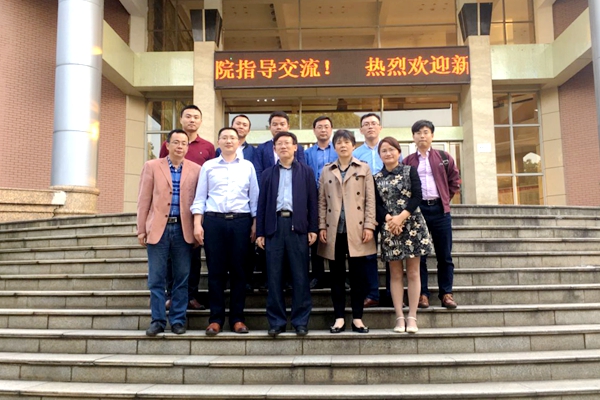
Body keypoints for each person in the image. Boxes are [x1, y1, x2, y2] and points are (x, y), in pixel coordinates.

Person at [191, 127, 259, 336]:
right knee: (215, 272)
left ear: (239, 142)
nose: (229, 141)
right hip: (214, 222)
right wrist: (197, 223)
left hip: (241, 222)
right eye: (225, 138)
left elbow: (254, 198)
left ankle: (237, 319)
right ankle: (215, 320)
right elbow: (200, 196)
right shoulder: (209, 166)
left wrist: (255, 223)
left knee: (239, 272)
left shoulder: (248, 166)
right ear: (218, 142)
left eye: (232, 138)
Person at [136, 129, 201, 336]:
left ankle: (178, 320)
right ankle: (157, 320)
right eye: (176, 142)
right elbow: (143, 200)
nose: (180, 146)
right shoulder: (152, 166)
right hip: (158, 229)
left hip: (183, 230)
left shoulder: (196, 169)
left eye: (184, 143)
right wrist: (141, 229)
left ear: (187, 147)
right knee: (156, 278)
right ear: (167, 144)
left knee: (182, 277)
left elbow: (199, 201)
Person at [256, 131, 318, 337]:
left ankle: (301, 321)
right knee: (274, 277)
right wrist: (261, 232)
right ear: (274, 149)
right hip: (274, 227)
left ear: (295, 147)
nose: (283, 146)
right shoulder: (267, 174)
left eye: (287, 143)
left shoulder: (306, 172)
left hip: (297, 226)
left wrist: (313, 228)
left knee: (300, 276)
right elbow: (262, 204)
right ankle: (277, 322)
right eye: (279, 144)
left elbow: (313, 202)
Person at [318, 130, 376, 334]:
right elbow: (321, 201)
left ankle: (358, 318)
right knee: (336, 277)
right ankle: (339, 318)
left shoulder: (364, 168)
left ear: (353, 145)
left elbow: (370, 200)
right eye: (339, 142)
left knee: (358, 276)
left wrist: (369, 225)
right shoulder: (327, 170)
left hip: (357, 230)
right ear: (334, 147)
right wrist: (321, 226)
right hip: (334, 230)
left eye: (346, 142)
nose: (343, 145)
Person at [374, 137, 432, 333]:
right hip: (390, 227)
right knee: (396, 274)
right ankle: (399, 316)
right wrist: (390, 220)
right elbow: (377, 204)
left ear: (398, 152)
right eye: (384, 150)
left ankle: (412, 317)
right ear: (379, 155)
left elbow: (417, 196)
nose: (388, 153)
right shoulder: (376, 177)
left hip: (412, 224)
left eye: (391, 149)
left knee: (414, 272)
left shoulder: (410, 170)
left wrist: (401, 218)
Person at [160, 105, 215, 311]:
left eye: (196, 117)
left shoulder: (208, 147)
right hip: (173, 207)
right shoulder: (169, 143)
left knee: (194, 254)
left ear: (200, 121)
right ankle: (170, 295)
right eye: (188, 116)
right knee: (169, 256)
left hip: (195, 209)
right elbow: (162, 171)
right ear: (181, 119)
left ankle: (191, 295)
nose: (192, 120)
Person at [403, 120, 461, 309]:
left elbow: (455, 180)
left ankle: (446, 294)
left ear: (432, 135)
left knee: (444, 255)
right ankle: (422, 294)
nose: (422, 136)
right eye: (418, 132)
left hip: (440, 210)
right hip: (417, 211)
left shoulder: (444, 157)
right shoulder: (408, 161)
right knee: (419, 255)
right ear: (413, 137)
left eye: (426, 132)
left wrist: (445, 198)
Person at [216, 114, 259, 292]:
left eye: (244, 125)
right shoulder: (214, 158)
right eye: (237, 124)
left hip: (243, 212)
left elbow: (255, 186)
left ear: (248, 130)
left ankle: (245, 281)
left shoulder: (253, 154)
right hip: (217, 215)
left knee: (243, 254)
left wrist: (255, 218)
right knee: (220, 258)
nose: (241, 127)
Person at [352, 113, 385, 308]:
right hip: (365, 209)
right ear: (361, 130)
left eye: (374, 123)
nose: (370, 127)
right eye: (366, 124)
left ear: (380, 127)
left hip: (389, 209)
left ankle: (392, 294)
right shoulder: (356, 154)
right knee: (368, 254)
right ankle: (372, 293)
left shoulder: (389, 149)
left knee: (393, 255)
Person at [305, 116, 338, 289]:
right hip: (314, 197)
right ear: (314, 130)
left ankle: (336, 276)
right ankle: (317, 275)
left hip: (336, 197)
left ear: (331, 129)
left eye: (326, 126)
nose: (323, 130)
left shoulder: (338, 150)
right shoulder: (307, 153)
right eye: (319, 127)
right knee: (316, 234)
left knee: (336, 236)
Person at [254, 111, 306, 184]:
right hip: (269, 186)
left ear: (288, 127)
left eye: (282, 124)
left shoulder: (297, 147)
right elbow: (258, 171)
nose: (278, 127)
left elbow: (302, 169)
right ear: (270, 127)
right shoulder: (262, 148)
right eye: (275, 124)